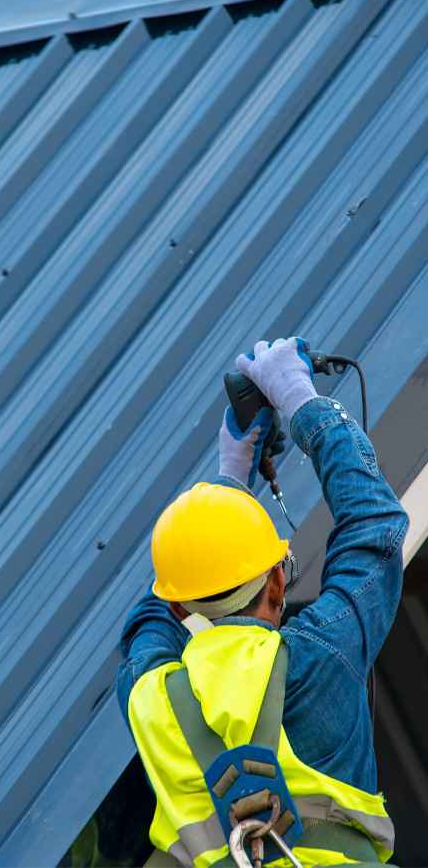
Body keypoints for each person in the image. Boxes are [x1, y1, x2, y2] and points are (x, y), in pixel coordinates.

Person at [117, 337, 409, 868]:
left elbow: (150, 623)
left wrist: (226, 485)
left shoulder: (147, 698)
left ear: (179, 609)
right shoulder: (314, 661)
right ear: (277, 584)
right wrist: (301, 400)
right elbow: (376, 529)